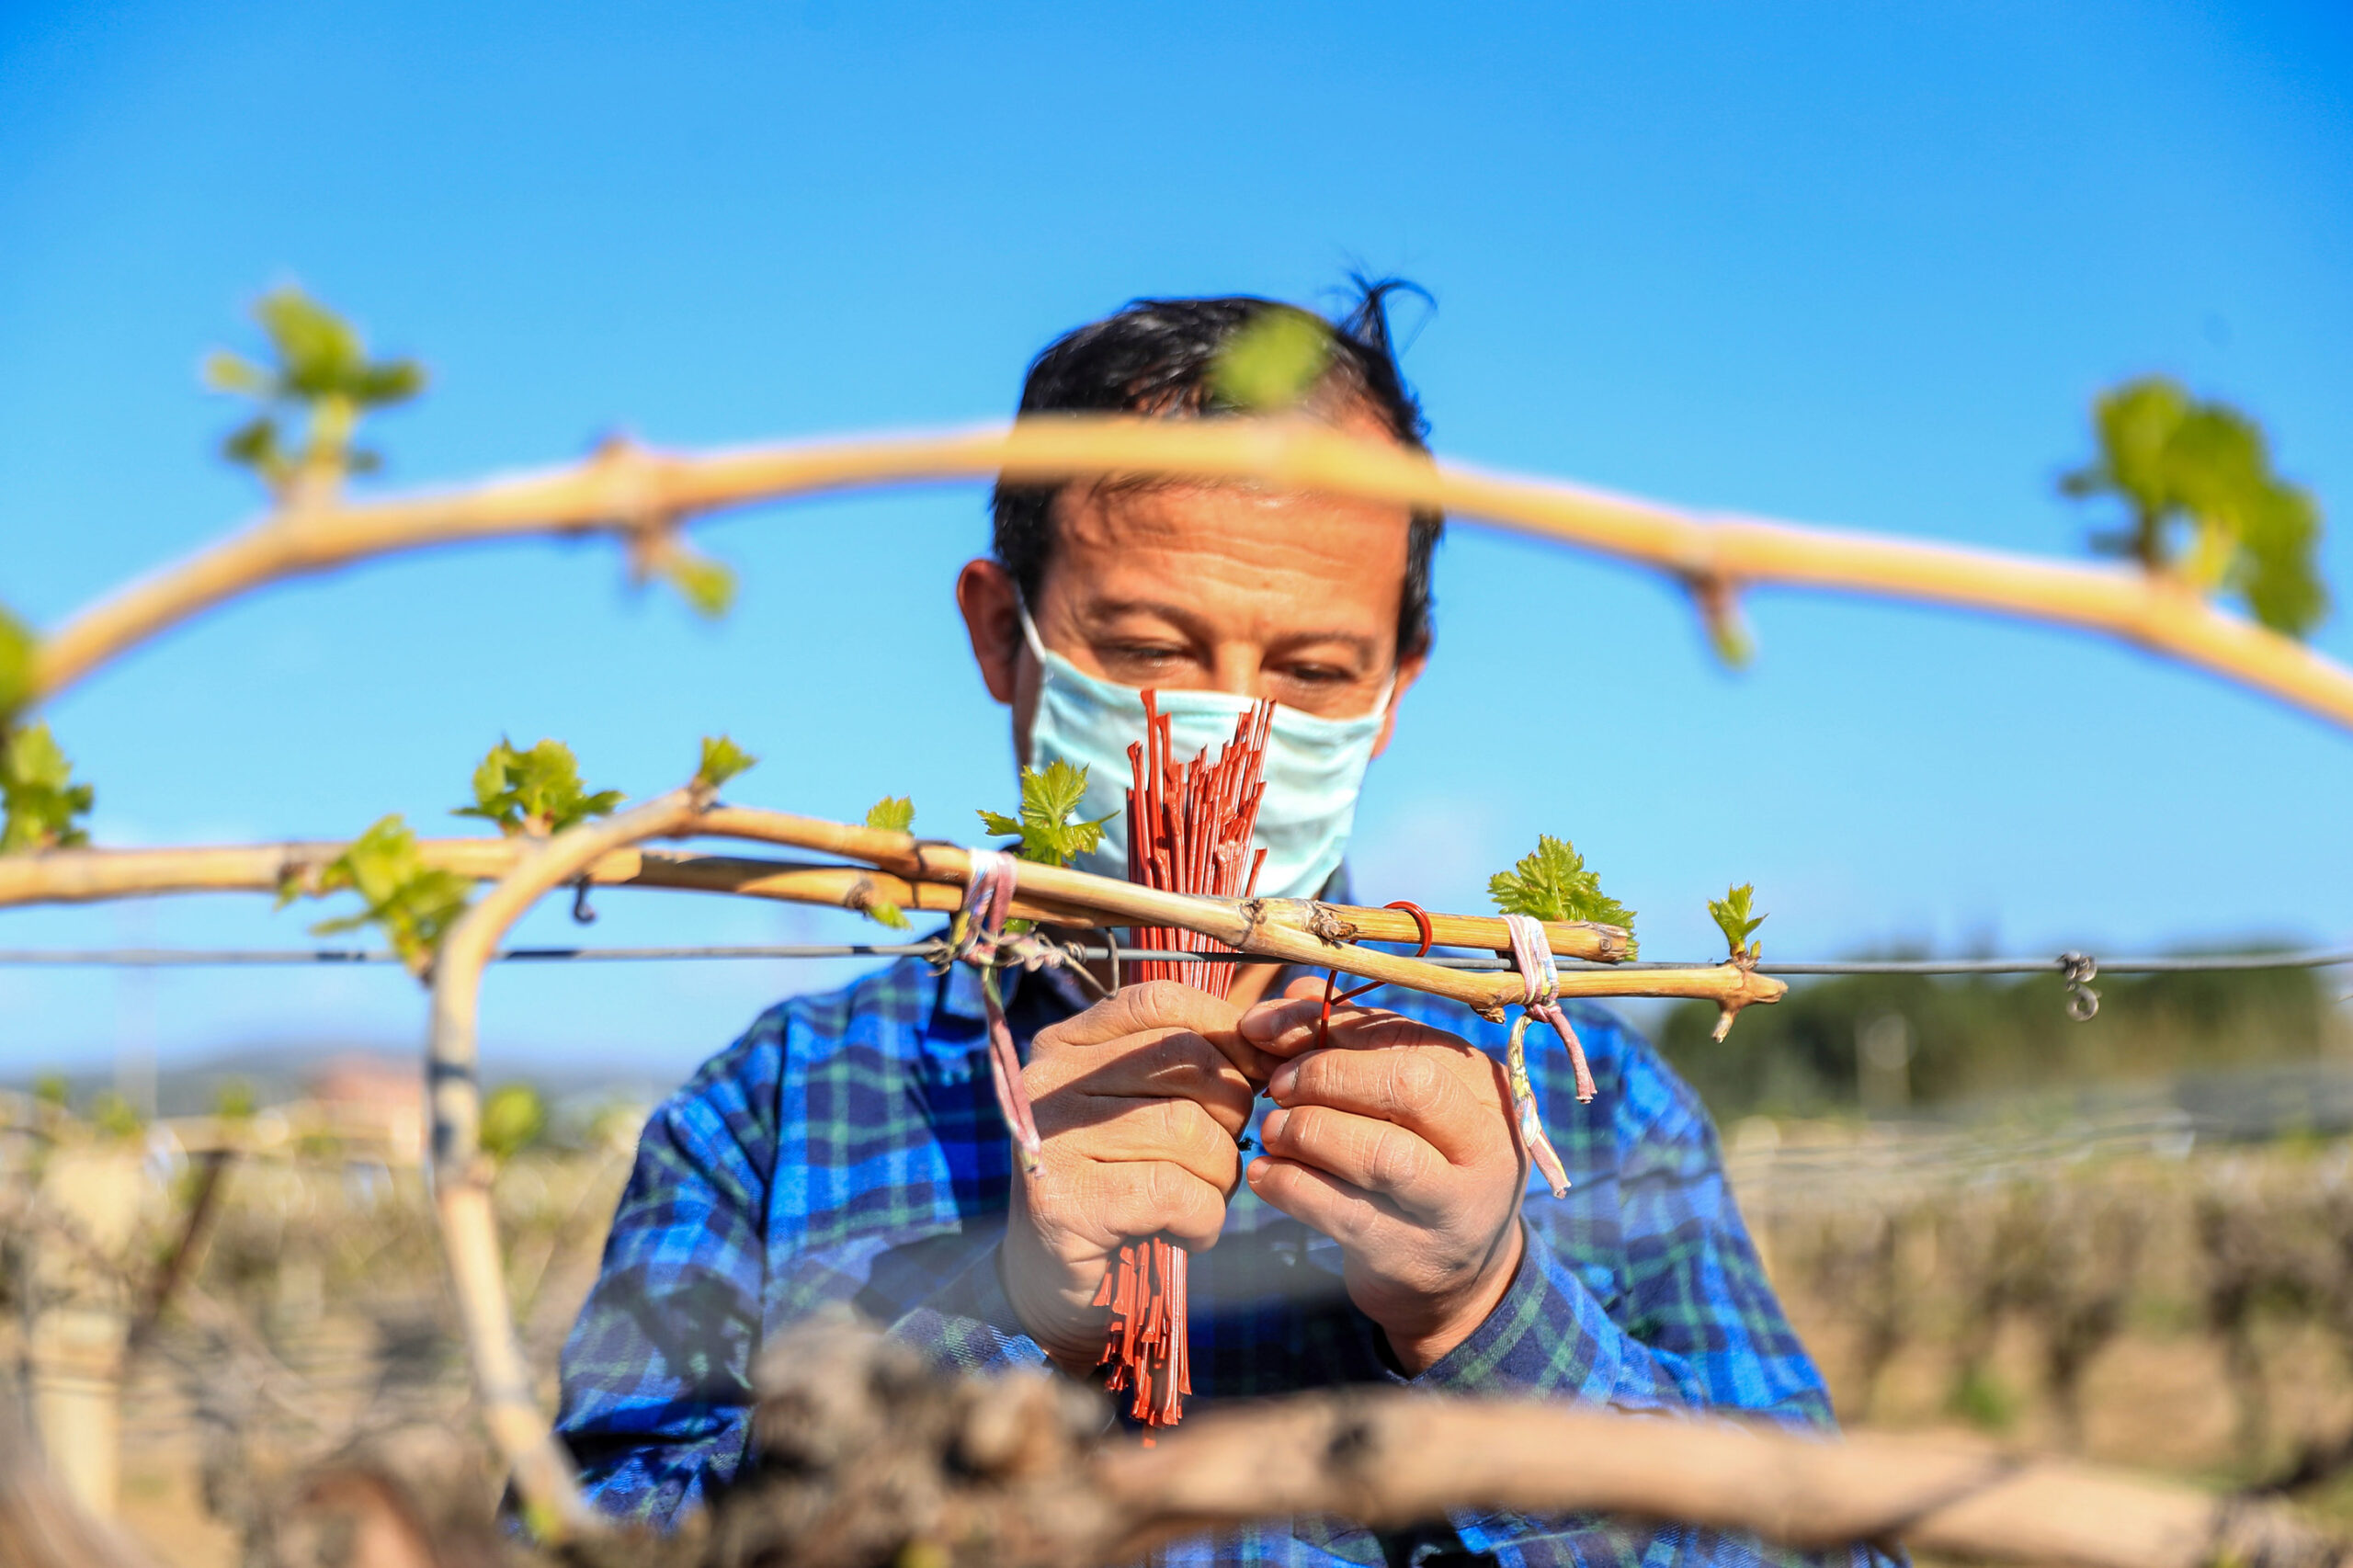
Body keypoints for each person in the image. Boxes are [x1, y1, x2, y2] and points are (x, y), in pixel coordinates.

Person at [556, 287, 1883, 1568]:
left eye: (1310, 670)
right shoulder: (776, 1113)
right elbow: (575, 1540)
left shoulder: (1600, 1120)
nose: (1230, 736)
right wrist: (987, 1323)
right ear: (996, 638)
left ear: (1394, 689)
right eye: (1142, 647)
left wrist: (1491, 1316)